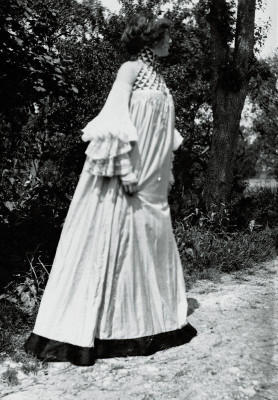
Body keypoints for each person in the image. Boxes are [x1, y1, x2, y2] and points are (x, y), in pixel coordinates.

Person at [24, 14, 197, 366]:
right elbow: (114, 121)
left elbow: (162, 134)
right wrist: (123, 170)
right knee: (114, 245)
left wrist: (168, 171)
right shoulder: (130, 70)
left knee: (149, 249)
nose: (171, 42)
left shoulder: (161, 81)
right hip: (124, 175)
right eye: (165, 36)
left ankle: (151, 323)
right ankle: (100, 332)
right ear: (149, 39)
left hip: (152, 180)